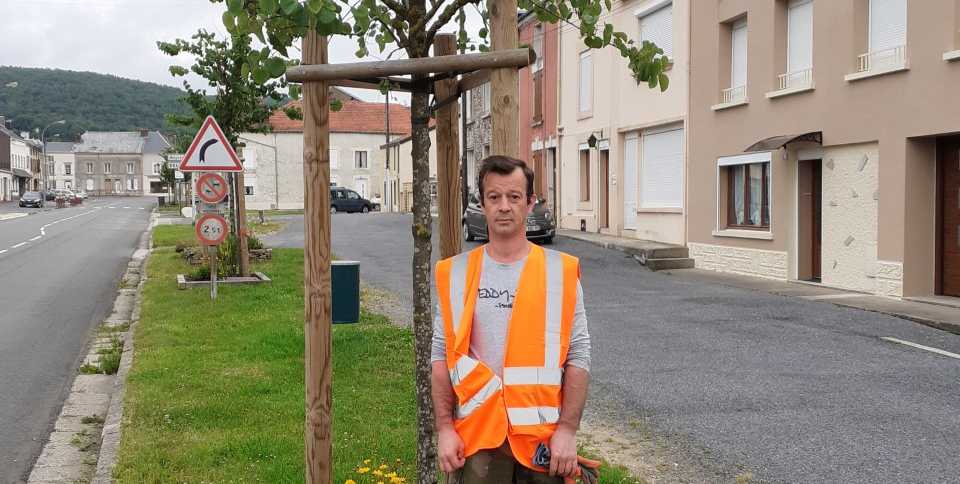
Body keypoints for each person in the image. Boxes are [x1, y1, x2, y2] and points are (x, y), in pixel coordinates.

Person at [431, 156, 591, 483]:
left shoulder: (560, 273)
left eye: (514, 197)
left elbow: (579, 354)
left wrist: (567, 431)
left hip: (542, 444)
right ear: (482, 204)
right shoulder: (455, 273)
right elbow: (440, 355)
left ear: (530, 203)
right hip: (476, 440)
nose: (504, 206)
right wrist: (445, 428)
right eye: (494, 197)